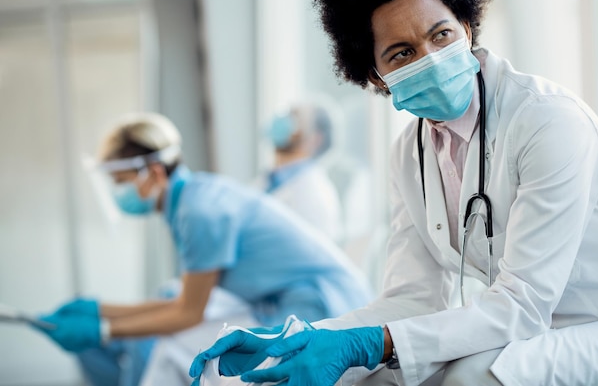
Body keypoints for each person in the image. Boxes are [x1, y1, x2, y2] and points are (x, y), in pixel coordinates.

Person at [188, 0, 598, 385]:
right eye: (402, 53)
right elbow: (412, 297)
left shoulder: (545, 120)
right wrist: (293, 340)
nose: (431, 60)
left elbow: (522, 303)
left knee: (475, 376)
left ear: (467, 29)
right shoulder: (408, 154)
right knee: (373, 375)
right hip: (540, 327)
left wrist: (370, 343)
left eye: (441, 35)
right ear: (377, 76)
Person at [32, 112, 373, 386]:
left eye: (120, 183)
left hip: (321, 304)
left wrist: (102, 328)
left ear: (152, 172)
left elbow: (187, 312)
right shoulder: (189, 199)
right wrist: (99, 310)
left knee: (169, 350)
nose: (116, 194)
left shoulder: (198, 211)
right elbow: (184, 303)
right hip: (281, 301)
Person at [255, 101, 343, 243]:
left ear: (315, 140)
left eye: (295, 118)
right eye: (288, 114)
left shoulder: (314, 195)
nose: (284, 121)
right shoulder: (269, 180)